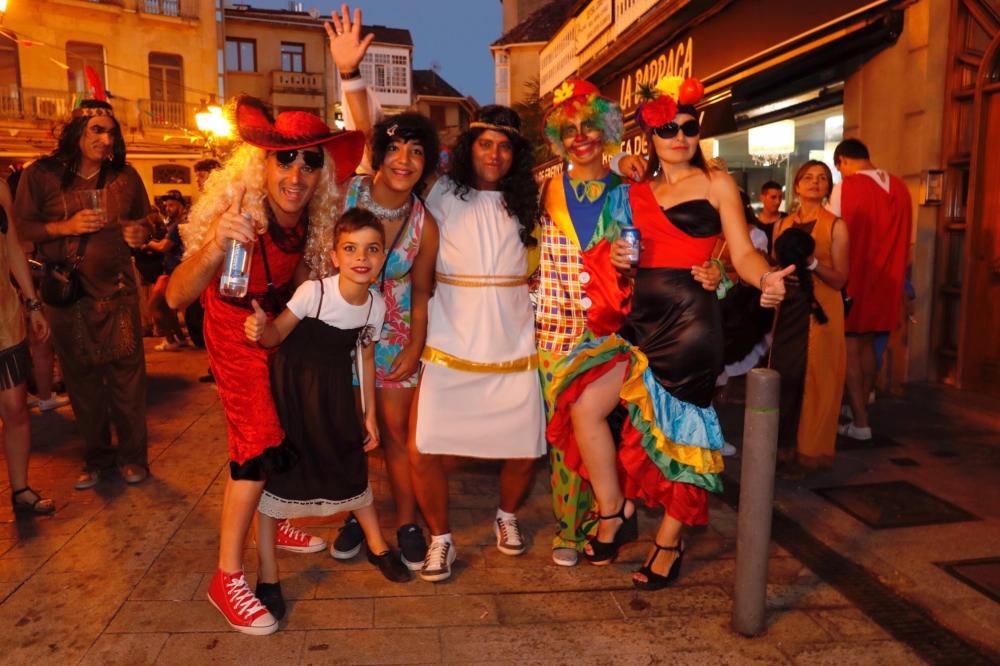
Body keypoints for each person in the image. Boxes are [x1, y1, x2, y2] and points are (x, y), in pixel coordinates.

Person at [546, 76, 791, 590]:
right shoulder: (634, 191)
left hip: (692, 326)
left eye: (687, 127)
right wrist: (617, 260)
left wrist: (763, 276)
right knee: (586, 404)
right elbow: (613, 249)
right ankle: (613, 510)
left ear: (698, 131)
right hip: (639, 322)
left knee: (684, 437)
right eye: (666, 129)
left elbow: (742, 251)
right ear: (649, 137)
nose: (678, 137)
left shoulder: (718, 184)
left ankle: (669, 540)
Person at [166, 96, 365, 635]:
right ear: (263, 163)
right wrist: (214, 244)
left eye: (310, 161)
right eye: (286, 160)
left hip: (273, 328)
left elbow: (299, 280)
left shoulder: (310, 220)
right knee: (255, 441)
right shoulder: (241, 209)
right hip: (231, 328)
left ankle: (267, 529)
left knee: (282, 432)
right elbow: (176, 298)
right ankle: (227, 576)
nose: (297, 173)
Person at [536, 79, 720, 566]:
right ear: (557, 138)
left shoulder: (631, 187)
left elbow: (691, 241)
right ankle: (570, 529)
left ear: (609, 132)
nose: (581, 136)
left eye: (591, 126)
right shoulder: (544, 189)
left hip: (619, 329)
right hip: (555, 326)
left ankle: (616, 514)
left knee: (626, 431)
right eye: (570, 129)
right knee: (566, 433)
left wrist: (717, 269)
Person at [318, 7, 440, 572]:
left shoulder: (424, 223)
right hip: (337, 327)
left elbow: (420, 293)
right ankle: (353, 512)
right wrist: (349, 75)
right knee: (348, 429)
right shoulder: (352, 188)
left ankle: (407, 521)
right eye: (396, 149)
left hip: (392, 338)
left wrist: (415, 346)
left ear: (426, 165)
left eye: (417, 152)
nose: (404, 159)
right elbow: (366, 124)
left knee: (394, 432)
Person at [406, 104, 544, 582]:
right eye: (486, 143)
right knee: (422, 449)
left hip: (513, 340)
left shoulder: (529, 199)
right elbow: (382, 148)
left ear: (516, 155)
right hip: (450, 339)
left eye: (505, 146)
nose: (495, 153)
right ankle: (440, 538)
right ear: (470, 147)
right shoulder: (441, 192)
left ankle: (506, 516)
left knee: (526, 448)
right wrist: (352, 77)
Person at [249, 208, 410, 608]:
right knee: (277, 478)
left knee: (349, 463)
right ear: (335, 255)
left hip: (334, 393)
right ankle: (267, 573)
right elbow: (275, 336)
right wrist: (259, 329)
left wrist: (369, 415)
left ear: (382, 256)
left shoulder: (375, 304)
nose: (361, 258)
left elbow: (366, 360)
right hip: (290, 394)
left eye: (372, 249)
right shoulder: (315, 292)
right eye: (351, 248)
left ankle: (376, 545)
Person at [15, 99, 153, 490]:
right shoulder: (41, 175)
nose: (107, 139)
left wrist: (140, 233)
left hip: (119, 293)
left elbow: (146, 221)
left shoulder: (125, 176)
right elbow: (22, 229)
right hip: (68, 296)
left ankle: (132, 459)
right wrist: (65, 227)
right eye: (97, 130)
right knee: (82, 382)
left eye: (112, 131)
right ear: (76, 132)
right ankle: (96, 460)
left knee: (128, 382)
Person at [828, 138, 911, 441]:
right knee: (869, 346)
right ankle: (859, 405)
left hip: (856, 278)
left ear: (843, 162)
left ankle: (861, 422)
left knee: (851, 348)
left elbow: (831, 234)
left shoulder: (846, 188)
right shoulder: (901, 188)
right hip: (889, 281)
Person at [771, 160, 849, 473]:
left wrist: (814, 263)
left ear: (828, 186)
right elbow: (773, 266)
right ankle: (781, 447)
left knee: (818, 379)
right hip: (788, 310)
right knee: (784, 376)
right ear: (798, 184)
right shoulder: (782, 224)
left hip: (821, 312)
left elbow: (841, 279)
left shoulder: (836, 225)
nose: (815, 183)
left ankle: (811, 449)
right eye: (808, 178)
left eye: (822, 178)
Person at [0, 180, 55, 515]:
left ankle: (20, 488)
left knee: (16, 407)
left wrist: (33, 304)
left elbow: (13, 248)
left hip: (4, 317)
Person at [145, 189, 189, 351]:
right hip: (172, 271)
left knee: (154, 306)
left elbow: (164, 247)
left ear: (181, 205)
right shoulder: (174, 223)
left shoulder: (179, 224)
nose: (168, 208)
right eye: (166, 206)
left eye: (171, 205)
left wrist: (147, 243)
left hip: (173, 272)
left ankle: (171, 339)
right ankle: (179, 338)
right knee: (167, 308)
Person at [191, 159, 222, 381]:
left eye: (202, 176)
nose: (198, 181)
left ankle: (218, 368)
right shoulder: (205, 203)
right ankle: (215, 366)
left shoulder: (221, 202)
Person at [754, 180, 785, 251]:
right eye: (773, 197)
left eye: (780, 198)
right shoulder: (753, 223)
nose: (778, 202)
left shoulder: (787, 220)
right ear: (762, 198)